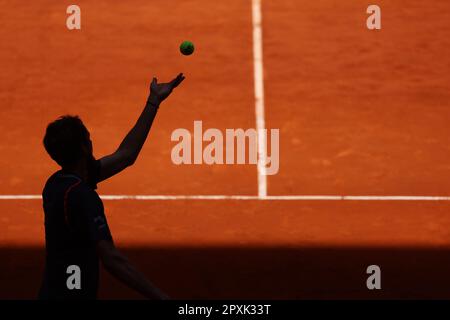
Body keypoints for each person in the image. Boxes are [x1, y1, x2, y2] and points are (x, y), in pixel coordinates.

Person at [38, 73, 185, 299]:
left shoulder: (56, 184)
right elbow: (111, 259)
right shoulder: (83, 196)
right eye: (88, 138)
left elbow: (126, 155)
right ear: (86, 147)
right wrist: (160, 296)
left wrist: (153, 102)